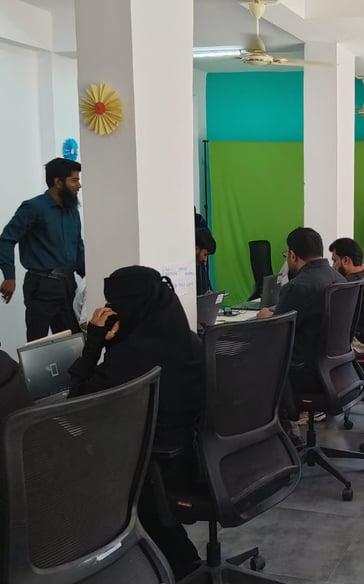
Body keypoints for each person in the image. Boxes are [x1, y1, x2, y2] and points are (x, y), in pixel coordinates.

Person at [68, 266, 204, 579]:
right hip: (193, 458)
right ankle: (184, 560)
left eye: (113, 305)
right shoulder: (190, 342)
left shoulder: (128, 362)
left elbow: (75, 406)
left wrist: (94, 345)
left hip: (153, 472)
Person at [0, 158, 84, 341]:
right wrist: (9, 276)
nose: (79, 185)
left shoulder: (72, 211)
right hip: (41, 285)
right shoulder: (33, 208)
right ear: (58, 181)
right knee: (38, 343)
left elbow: (78, 246)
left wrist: (90, 278)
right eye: (74, 180)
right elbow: (6, 239)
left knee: (73, 341)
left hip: (68, 285)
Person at [258, 227, 345, 391]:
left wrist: (266, 317)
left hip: (303, 371)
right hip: (338, 369)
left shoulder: (297, 287)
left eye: (286, 253)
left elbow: (277, 335)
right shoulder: (340, 279)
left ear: (292, 255)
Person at [329, 237, 364, 345]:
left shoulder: (348, 285)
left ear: (346, 260)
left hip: (356, 339)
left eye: (335, 261)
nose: (333, 266)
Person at [195, 227, 216, 295]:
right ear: (196, 249)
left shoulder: (202, 266)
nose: (205, 259)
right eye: (205, 254)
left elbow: (207, 286)